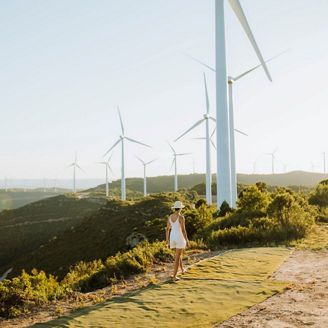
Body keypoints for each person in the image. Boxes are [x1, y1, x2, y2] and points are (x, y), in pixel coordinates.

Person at [166, 200, 189, 281]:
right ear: (180, 209)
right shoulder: (181, 217)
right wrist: (187, 240)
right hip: (179, 237)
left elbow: (167, 229)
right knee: (177, 257)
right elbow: (183, 230)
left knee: (178, 255)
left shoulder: (170, 217)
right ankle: (174, 277)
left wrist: (167, 240)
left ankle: (182, 270)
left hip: (172, 237)